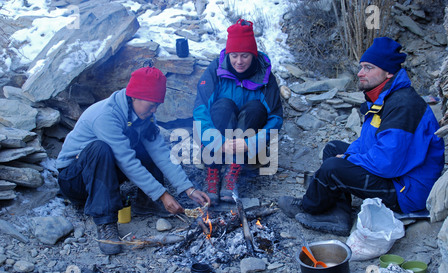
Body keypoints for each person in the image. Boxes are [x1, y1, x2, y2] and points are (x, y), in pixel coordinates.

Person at [278, 37, 445, 236]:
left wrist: (348, 159)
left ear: (388, 72)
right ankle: (338, 214)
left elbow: (387, 163)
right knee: (333, 149)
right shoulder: (386, 97)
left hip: (407, 191)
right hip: (398, 175)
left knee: (332, 167)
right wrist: (348, 155)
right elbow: (368, 143)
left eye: (368, 67)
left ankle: (309, 206)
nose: (360, 73)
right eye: (361, 67)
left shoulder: (403, 105)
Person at [56, 66, 210, 255]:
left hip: (101, 172)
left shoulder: (142, 113)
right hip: (74, 180)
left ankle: (146, 202)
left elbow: (160, 153)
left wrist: (188, 188)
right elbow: (127, 162)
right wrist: (162, 194)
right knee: (100, 148)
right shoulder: (106, 115)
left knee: (146, 143)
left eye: (157, 105)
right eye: (151, 104)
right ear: (134, 96)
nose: (154, 110)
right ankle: (105, 222)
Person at [193, 19, 283, 205]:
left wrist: (251, 143)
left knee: (255, 108)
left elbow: (275, 118)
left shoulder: (265, 75)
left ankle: (233, 172)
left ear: (253, 55)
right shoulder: (215, 70)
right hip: (218, 141)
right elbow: (200, 110)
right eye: (234, 55)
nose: (239, 62)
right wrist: (218, 143)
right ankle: (213, 170)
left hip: (248, 143)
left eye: (245, 56)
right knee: (222, 105)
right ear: (228, 53)